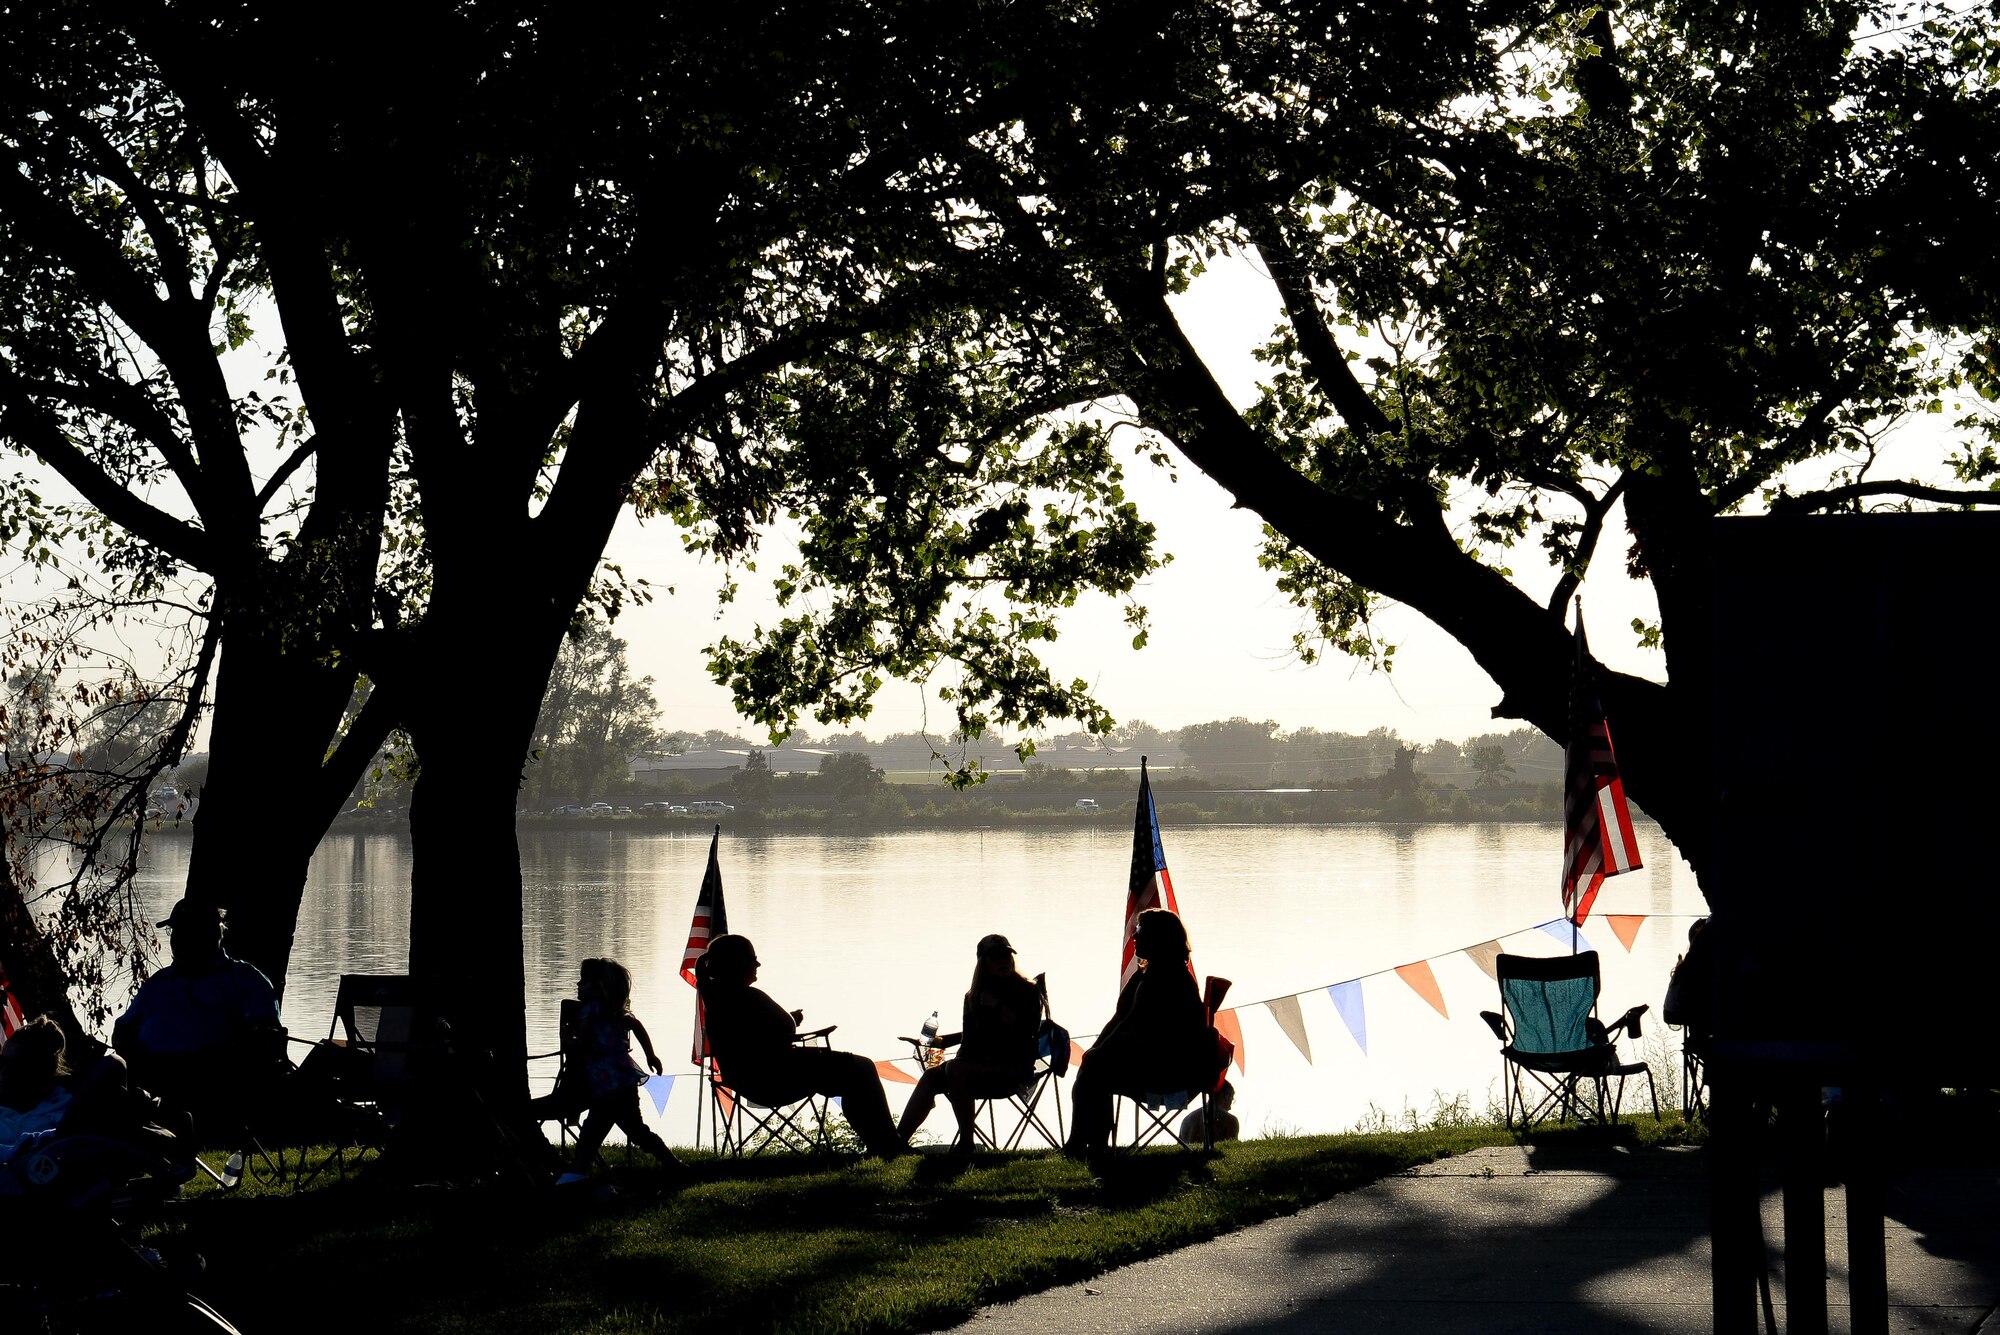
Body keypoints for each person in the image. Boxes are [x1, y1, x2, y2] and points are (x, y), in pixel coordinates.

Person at [694, 934, 903, 1158]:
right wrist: (793, 1019)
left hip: (747, 1079)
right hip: (775, 1078)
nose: (758, 965)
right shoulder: (745, 996)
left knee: (852, 1075)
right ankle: (888, 1145)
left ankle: (882, 1146)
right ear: (737, 963)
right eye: (753, 959)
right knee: (862, 1069)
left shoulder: (716, 997)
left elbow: (762, 1032)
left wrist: (786, 1022)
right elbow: (786, 1028)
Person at [111, 899, 283, 1140]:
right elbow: (123, 1026)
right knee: (108, 1070)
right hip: (151, 1074)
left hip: (211, 1079)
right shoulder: (159, 982)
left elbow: (267, 1037)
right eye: (175, 932)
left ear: (212, 934)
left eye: (185, 932)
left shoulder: (244, 979)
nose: (176, 939)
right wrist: (126, 1043)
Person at [1064, 908, 1225, 1156]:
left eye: (1138, 931)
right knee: (1094, 1065)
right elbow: (1119, 1018)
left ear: (1159, 938)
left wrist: (1099, 1055)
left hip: (1170, 1073)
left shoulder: (1168, 979)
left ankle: (1085, 1146)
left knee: (1094, 1072)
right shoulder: (1145, 975)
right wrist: (1096, 1050)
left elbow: (1133, 1025)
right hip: (1153, 1063)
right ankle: (1088, 1145)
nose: (1134, 937)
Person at [896, 934, 1042, 1154]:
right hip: (979, 1068)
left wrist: (998, 1008)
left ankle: (966, 1143)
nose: (1004, 961)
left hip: (1014, 1068)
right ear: (983, 963)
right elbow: (970, 1040)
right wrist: (939, 1043)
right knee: (933, 1076)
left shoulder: (1028, 992)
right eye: (996, 957)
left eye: (1007, 956)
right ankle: (896, 1143)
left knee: (955, 1068)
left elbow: (1025, 1035)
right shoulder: (973, 996)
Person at [555, 958, 683, 1184]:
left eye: (583, 981)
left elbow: (583, 1044)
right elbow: (636, 1025)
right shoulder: (613, 1010)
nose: (577, 984)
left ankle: (577, 1172)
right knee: (636, 1131)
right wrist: (650, 1054)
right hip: (624, 1081)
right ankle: (674, 1164)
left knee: (593, 1132)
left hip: (606, 1086)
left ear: (597, 987)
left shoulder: (590, 1011)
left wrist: (567, 1039)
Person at [1178, 1078, 1240, 1145]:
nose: (1231, 1106)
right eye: (1232, 1098)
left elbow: (1178, 1149)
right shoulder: (1230, 1120)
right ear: (1225, 1096)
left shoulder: (1187, 1120)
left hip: (1189, 1155)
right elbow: (1231, 1149)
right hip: (1213, 1155)